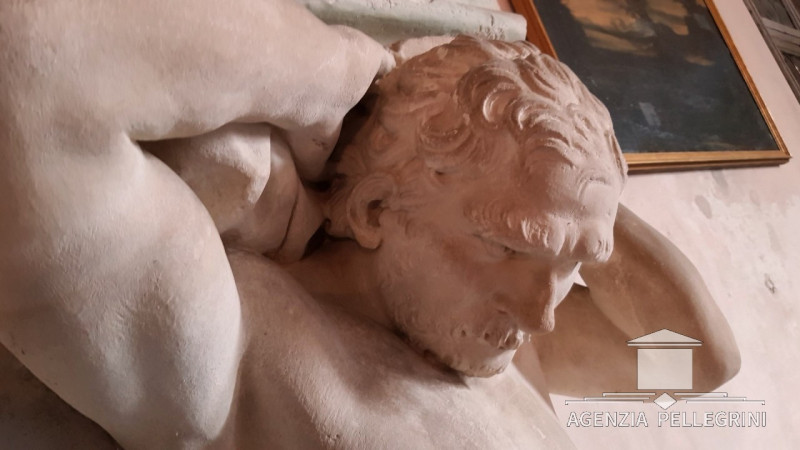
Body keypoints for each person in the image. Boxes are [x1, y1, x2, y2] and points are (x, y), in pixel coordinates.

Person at [0, 2, 739, 449]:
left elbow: (700, 361)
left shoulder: (510, 354)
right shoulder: (236, 340)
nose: (545, 311)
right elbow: (27, 65)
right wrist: (337, 71)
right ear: (375, 208)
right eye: (511, 245)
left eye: (572, 267)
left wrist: (572, 185)